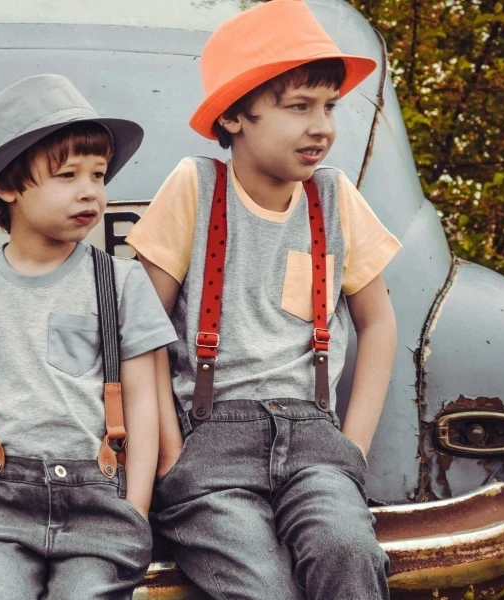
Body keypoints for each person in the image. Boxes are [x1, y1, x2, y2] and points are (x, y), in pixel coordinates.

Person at [126, 1, 402, 598]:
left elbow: (378, 323)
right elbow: (139, 331)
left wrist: (352, 445)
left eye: (329, 107)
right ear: (233, 118)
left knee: (349, 552)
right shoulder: (195, 189)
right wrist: (171, 457)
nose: (321, 126)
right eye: (298, 107)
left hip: (315, 443)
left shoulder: (335, 197)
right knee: (260, 583)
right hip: (211, 448)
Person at [0, 74, 177, 599]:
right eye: (67, 175)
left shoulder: (121, 283)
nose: (90, 191)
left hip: (99, 500)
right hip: (0, 503)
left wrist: (136, 508)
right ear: (9, 187)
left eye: (98, 175)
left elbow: (145, 399)